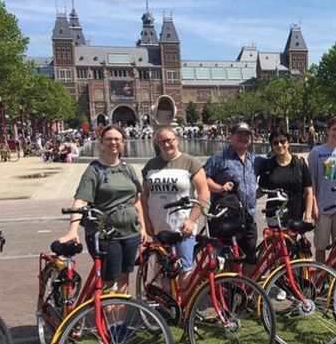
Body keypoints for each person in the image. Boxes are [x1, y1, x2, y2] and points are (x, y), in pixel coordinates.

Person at [57, 125, 146, 293]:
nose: (113, 142)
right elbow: (81, 201)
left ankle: (118, 320)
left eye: (117, 139)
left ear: (123, 143)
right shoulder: (94, 171)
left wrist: (143, 227)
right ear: (101, 144)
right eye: (109, 139)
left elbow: (136, 200)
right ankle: (105, 317)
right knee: (108, 281)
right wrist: (72, 230)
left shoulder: (128, 169)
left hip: (130, 232)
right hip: (105, 234)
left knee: (124, 277)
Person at [141, 126, 210, 284]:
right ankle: (167, 304)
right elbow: (145, 195)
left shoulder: (191, 163)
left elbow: (204, 194)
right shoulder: (150, 166)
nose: (166, 145)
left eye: (169, 141)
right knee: (164, 270)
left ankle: (183, 306)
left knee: (185, 269)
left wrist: (192, 220)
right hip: (159, 227)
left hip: (183, 227)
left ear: (177, 140)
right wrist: (146, 222)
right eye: (161, 142)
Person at [204, 122, 261, 275]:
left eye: (247, 134)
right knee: (226, 259)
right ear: (232, 135)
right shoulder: (220, 157)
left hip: (249, 217)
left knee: (250, 257)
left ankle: (246, 292)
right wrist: (219, 188)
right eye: (240, 133)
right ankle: (225, 292)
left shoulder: (254, 159)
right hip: (226, 218)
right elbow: (203, 178)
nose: (244, 137)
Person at [308, 116, 336, 262]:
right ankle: (322, 276)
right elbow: (311, 181)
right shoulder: (316, 152)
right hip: (322, 207)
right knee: (321, 245)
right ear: (328, 130)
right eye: (334, 129)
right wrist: (314, 204)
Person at [257, 128, 314, 226]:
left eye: (282, 141)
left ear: (288, 143)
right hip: (274, 215)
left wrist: (308, 217)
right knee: (276, 241)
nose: (279, 145)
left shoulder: (299, 164)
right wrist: (244, 199)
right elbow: (262, 190)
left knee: (294, 241)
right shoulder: (268, 165)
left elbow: (308, 192)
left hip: (295, 215)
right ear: (272, 145)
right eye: (275, 143)